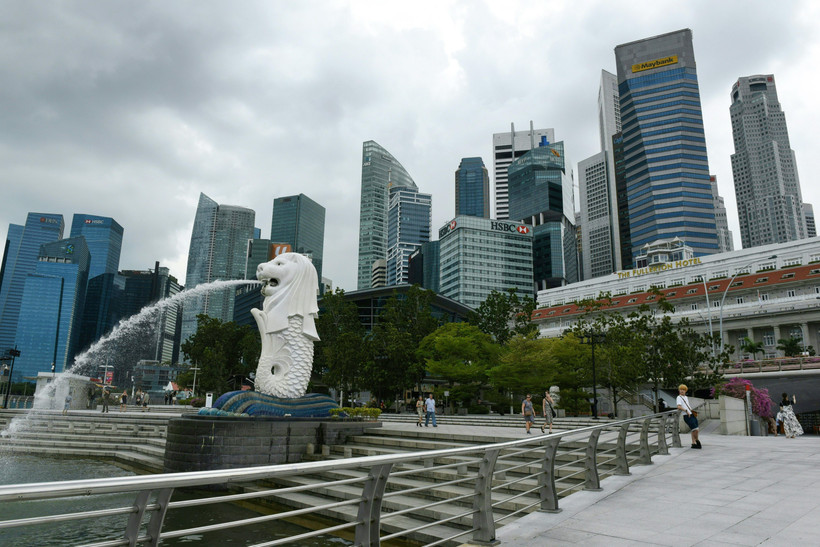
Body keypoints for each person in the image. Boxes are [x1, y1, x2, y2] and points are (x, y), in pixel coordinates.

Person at [676, 384, 701, 449]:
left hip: (691, 414)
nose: (682, 391)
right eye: (681, 389)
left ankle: (693, 443)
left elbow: (687, 405)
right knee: (695, 429)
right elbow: (678, 406)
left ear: (685, 391)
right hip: (686, 415)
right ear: (679, 390)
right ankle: (697, 441)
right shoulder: (679, 397)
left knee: (695, 429)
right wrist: (686, 410)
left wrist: (690, 410)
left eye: (683, 390)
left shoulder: (686, 397)